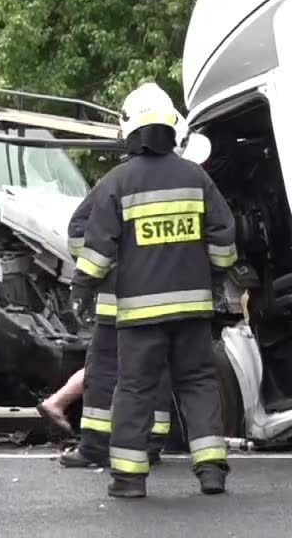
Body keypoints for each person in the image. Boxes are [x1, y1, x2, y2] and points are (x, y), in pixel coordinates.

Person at [71, 82, 237, 499]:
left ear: (130, 129)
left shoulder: (118, 182)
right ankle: (211, 470)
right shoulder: (196, 177)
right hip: (193, 310)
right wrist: (214, 274)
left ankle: (129, 479)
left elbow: (96, 250)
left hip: (139, 316)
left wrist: (82, 291)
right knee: (198, 383)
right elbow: (224, 237)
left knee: (134, 389)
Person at [55, 183, 174, 469]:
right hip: (164, 301)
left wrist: (103, 268)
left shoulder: (116, 182)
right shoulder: (184, 181)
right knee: (155, 369)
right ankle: (150, 444)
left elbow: (78, 235)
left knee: (104, 370)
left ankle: (96, 447)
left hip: (118, 302)